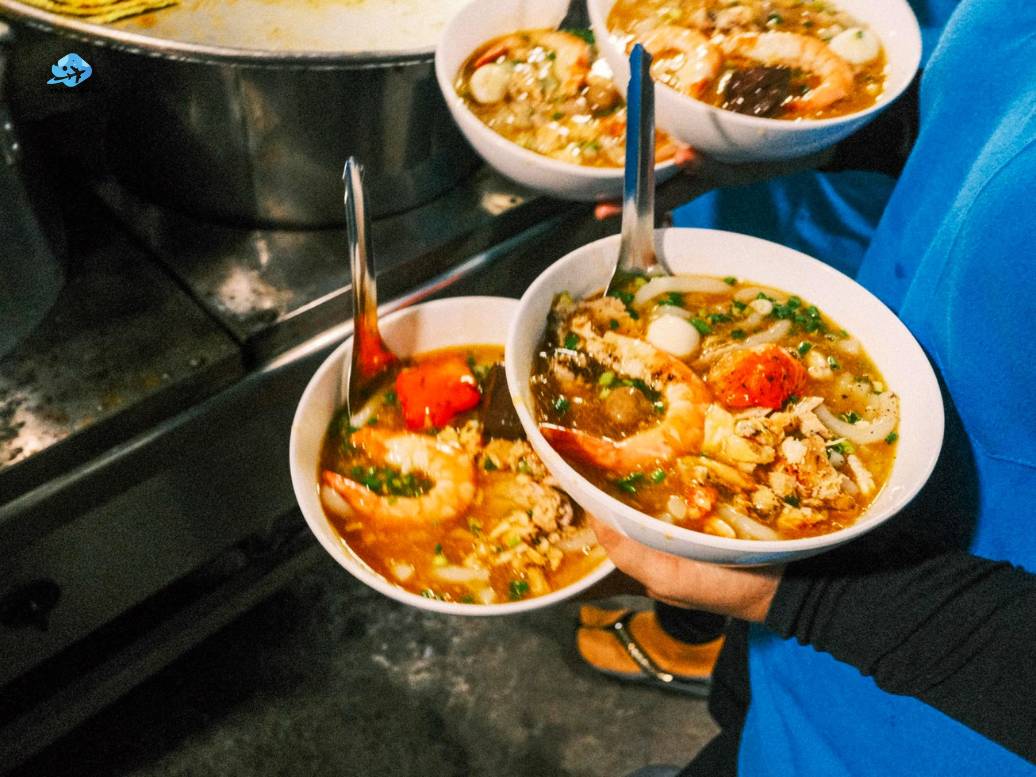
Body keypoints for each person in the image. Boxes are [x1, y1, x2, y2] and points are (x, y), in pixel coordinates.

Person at [585, 0, 1036, 773]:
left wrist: (804, 594)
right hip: (804, 656)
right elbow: (974, 115)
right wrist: (801, 144)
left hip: (934, 729)